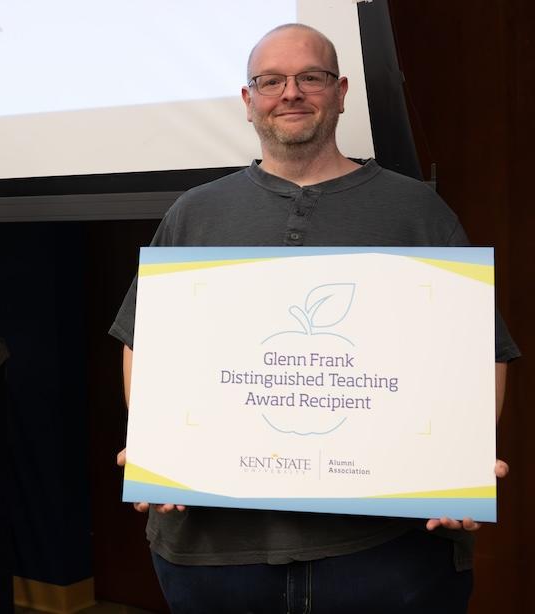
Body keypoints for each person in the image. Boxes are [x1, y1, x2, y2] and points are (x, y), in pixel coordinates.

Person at [109, 24, 520, 613]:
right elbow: (143, 343)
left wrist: (460, 457)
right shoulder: (195, 214)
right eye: (270, 81)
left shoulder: (415, 212)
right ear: (249, 100)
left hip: (386, 551)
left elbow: (480, 350)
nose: (291, 93)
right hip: (215, 549)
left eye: (311, 77)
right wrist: (157, 444)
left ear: (342, 90)